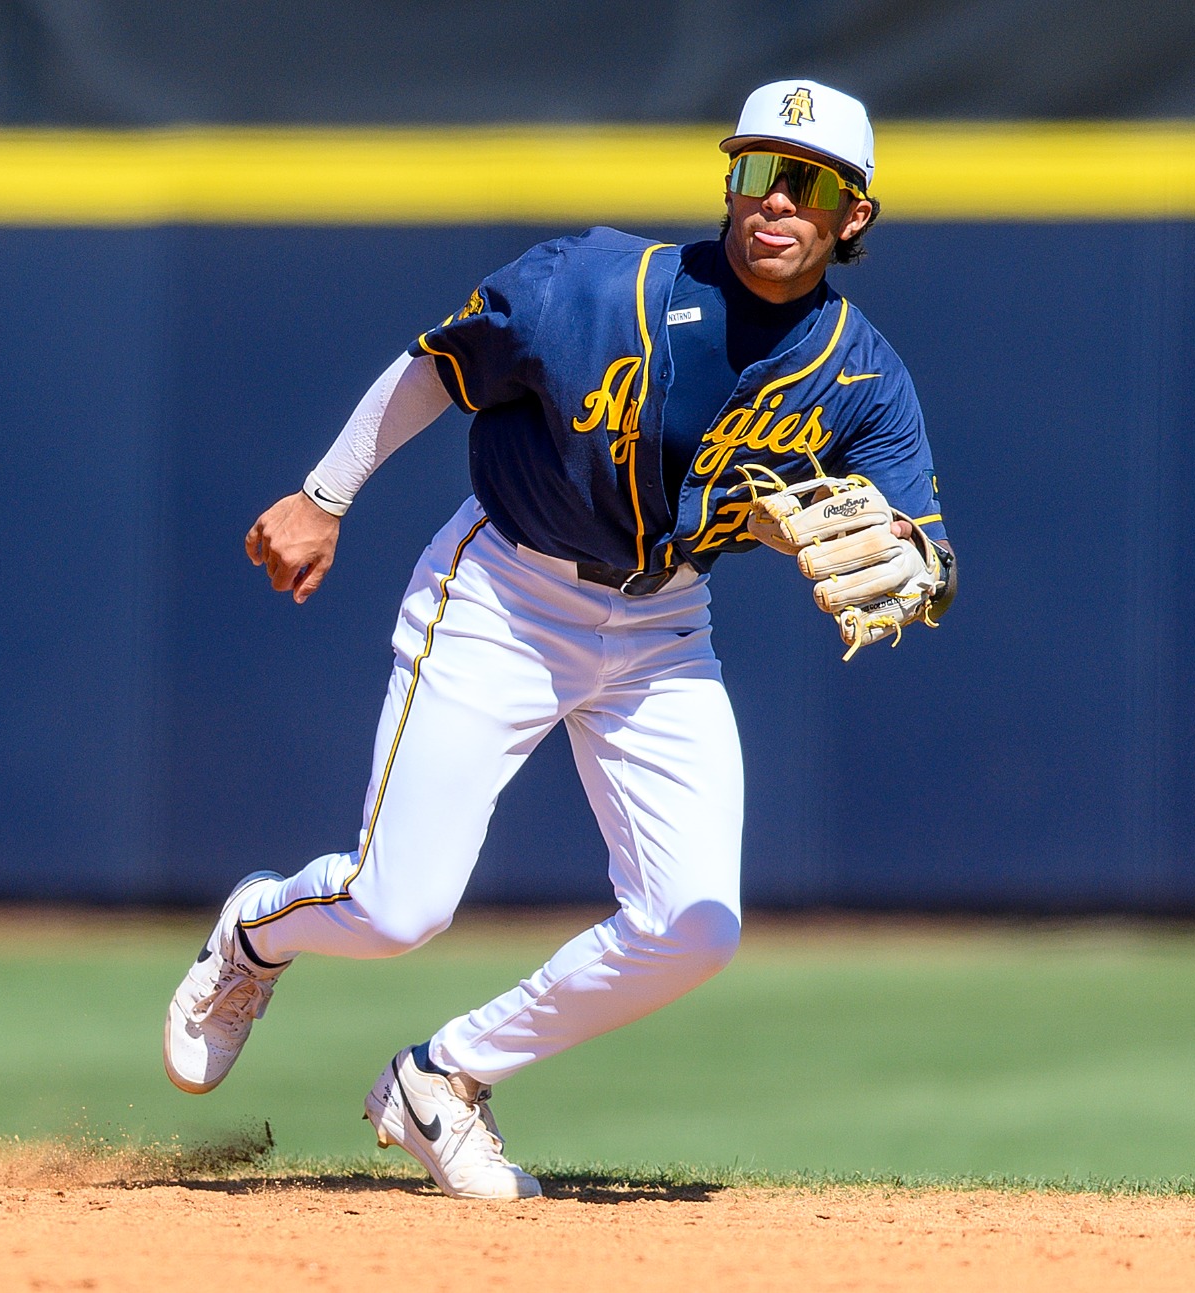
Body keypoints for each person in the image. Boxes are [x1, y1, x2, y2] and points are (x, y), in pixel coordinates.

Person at [162, 79, 956, 1199]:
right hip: (502, 596)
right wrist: (323, 496)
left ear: (851, 216)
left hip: (662, 627)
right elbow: (439, 365)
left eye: (807, 181)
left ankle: (443, 1078)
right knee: (398, 911)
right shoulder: (594, 283)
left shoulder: (864, 375)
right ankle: (256, 934)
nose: (773, 200)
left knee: (696, 927)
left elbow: (926, 553)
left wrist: (901, 569)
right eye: (753, 170)